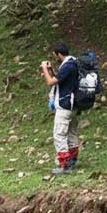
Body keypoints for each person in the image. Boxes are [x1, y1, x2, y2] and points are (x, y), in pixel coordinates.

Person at [40, 44, 80, 175]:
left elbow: (50, 82)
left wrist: (45, 69)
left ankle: (65, 165)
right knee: (71, 132)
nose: (55, 58)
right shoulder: (73, 63)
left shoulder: (68, 65)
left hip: (65, 105)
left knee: (59, 134)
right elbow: (60, 80)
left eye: (55, 56)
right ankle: (73, 159)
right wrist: (51, 71)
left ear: (58, 54)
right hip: (74, 105)